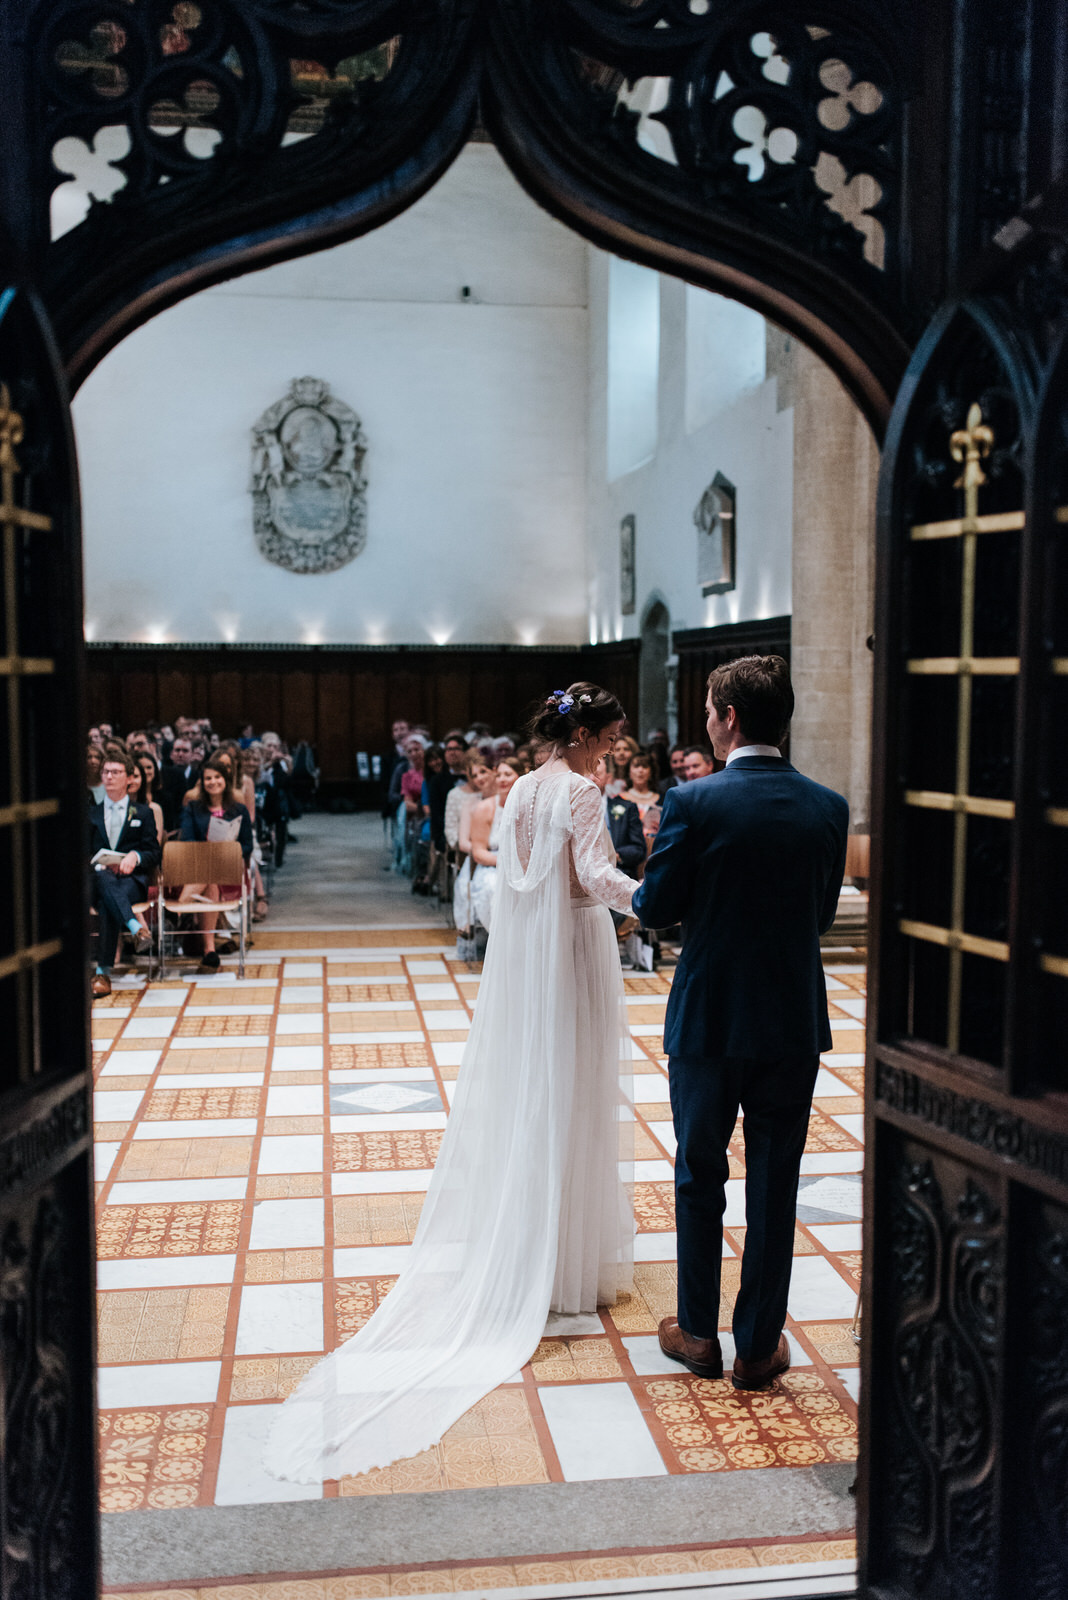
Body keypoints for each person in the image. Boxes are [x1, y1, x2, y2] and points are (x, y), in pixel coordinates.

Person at [266, 682, 640, 1483]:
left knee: (538, 1086)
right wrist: (657, 898)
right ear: (584, 736)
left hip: (533, 957)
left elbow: (517, 877)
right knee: (575, 1087)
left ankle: (537, 1236)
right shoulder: (579, 790)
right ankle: (561, 1260)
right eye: (609, 736)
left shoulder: (519, 789)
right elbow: (597, 876)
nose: (613, 748)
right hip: (575, 950)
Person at [633, 655, 848, 1391]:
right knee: (776, 1179)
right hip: (790, 1016)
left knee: (700, 1172)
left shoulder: (693, 803)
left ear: (727, 717)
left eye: (708, 711)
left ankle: (697, 1333)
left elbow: (656, 910)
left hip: (709, 1017)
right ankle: (758, 1345)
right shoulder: (828, 805)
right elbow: (820, 917)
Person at [88, 751, 160, 997]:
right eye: (106, 772)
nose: (109, 777)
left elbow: (154, 853)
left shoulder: (143, 813)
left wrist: (135, 856)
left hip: (131, 881)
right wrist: (98, 863)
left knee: (110, 900)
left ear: (129, 778)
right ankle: (135, 927)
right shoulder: (91, 814)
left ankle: (102, 974)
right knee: (103, 877)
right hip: (97, 881)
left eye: (116, 772)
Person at [177, 757, 254, 972]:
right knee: (209, 879)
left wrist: (231, 850)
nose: (212, 782)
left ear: (226, 780)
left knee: (210, 874)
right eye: (208, 778)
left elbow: (247, 844)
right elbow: (187, 839)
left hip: (229, 866)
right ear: (202, 782)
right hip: (201, 864)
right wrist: (208, 847)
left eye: (217, 777)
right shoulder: (194, 808)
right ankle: (209, 950)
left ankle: (180, 909)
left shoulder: (239, 809)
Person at [467, 758, 521, 931]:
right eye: (498, 775)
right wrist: (507, 862)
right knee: (493, 888)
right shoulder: (485, 808)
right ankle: (501, 939)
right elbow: (478, 853)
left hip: (523, 866)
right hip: (492, 866)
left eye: (508, 774)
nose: (502, 779)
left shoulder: (529, 806)